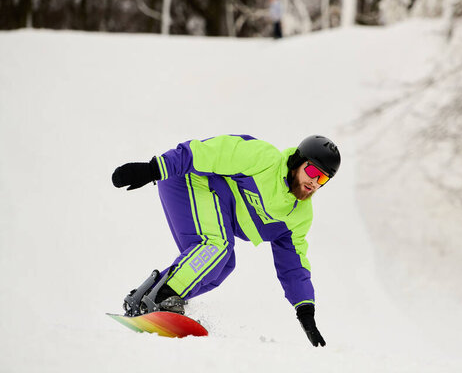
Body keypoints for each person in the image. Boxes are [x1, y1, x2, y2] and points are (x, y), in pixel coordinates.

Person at [111, 134, 341, 347]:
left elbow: (294, 266)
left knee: (222, 266)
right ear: (297, 162)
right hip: (189, 177)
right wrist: (153, 169)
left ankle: (151, 299)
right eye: (312, 171)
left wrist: (305, 312)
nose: (315, 182)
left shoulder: (299, 216)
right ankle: (157, 300)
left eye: (323, 178)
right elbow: (208, 152)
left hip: (210, 198)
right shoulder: (264, 159)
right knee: (216, 246)